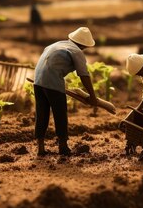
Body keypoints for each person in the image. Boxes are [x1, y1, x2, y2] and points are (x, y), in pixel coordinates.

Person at [33, 27, 98, 156]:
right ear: (84, 44)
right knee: (60, 114)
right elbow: (84, 75)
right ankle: (63, 147)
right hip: (52, 80)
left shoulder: (55, 45)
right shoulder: (76, 51)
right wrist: (93, 96)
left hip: (38, 81)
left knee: (42, 113)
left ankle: (40, 148)